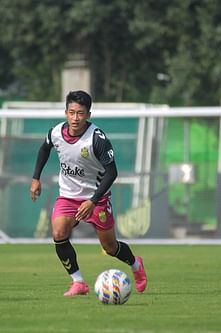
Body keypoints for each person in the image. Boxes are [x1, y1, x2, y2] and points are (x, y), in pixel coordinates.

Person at [30, 90, 147, 297]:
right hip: (67, 196)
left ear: (88, 115)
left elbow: (112, 173)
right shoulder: (55, 132)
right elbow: (44, 149)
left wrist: (93, 201)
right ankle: (78, 282)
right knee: (58, 233)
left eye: (81, 113)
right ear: (66, 112)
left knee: (110, 247)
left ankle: (136, 264)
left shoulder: (97, 139)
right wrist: (36, 178)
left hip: (96, 198)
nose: (76, 118)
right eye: (72, 112)